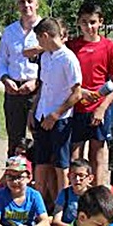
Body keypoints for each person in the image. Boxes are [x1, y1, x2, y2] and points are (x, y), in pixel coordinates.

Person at [66, 2, 113, 188]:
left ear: (100, 22)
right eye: (84, 22)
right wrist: (79, 93)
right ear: (78, 23)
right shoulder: (71, 46)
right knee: (75, 155)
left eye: (92, 22)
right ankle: (75, 195)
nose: (89, 27)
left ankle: (97, 194)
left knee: (97, 154)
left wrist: (102, 107)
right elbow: (64, 78)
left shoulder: (109, 47)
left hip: (99, 109)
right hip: (76, 107)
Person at [31, 17, 82, 206]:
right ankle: (37, 204)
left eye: (39, 39)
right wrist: (34, 110)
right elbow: (43, 86)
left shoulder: (68, 59)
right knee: (41, 161)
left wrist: (56, 114)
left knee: (61, 164)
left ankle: (63, 206)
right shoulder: (45, 56)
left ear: (45, 36)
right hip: (42, 115)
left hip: (60, 119)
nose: (39, 44)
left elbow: (76, 93)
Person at [0, 0, 42, 157]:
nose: (26, 5)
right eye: (22, 2)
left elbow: (51, 62)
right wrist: (5, 79)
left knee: (39, 138)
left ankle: (38, 179)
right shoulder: (9, 32)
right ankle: (13, 178)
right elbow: (2, 60)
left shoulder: (45, 29)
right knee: (14, 139)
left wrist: (36, 82)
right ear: (17, 5)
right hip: (13, 90)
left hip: (37, 91)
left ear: (37, 4)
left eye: (30, 1)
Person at [50, 158, 94, 226]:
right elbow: (56, 220)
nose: (77, 179)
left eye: (81, 176)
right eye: (74, 176)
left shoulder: (94, 195)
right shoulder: (64, 193)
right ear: (68, 177)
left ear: (90, 178)